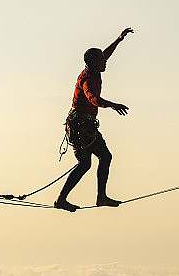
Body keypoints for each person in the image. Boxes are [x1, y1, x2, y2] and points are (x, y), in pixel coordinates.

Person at [54, 27, 134, 212]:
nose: (105, 62)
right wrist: (113, 105)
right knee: (98, 159)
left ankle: (78, 198)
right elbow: (94, 100)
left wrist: (119, 40)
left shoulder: (93, 69)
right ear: (93, 62)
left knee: (90, 162)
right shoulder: (88, 79)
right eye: (101, 60)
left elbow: (106, 54)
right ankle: (93, 197)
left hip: (84, 125)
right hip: (81, 126)